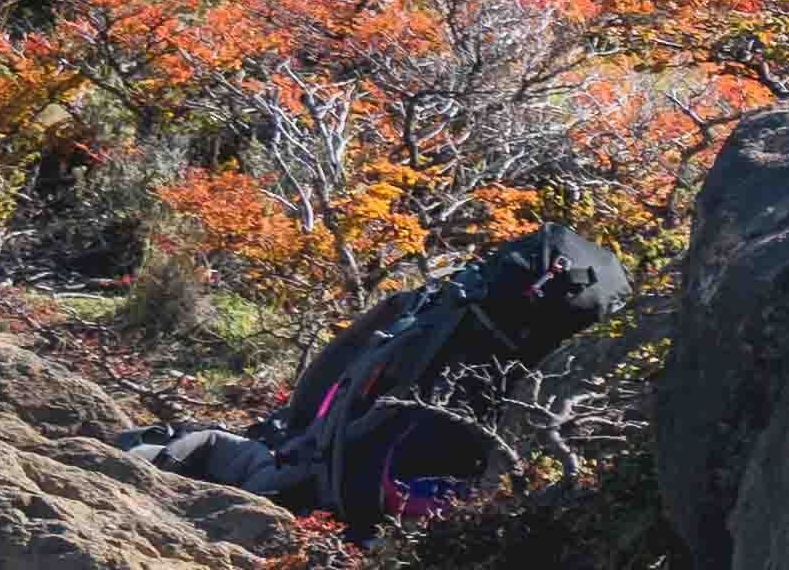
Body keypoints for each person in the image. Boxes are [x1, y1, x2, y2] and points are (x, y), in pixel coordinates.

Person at [140, 219, 632, 527]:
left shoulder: (446, 310)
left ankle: (151, 452)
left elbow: (326, 375)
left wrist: (296, 433)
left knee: (200, 448)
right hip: (362, 490)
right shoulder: (537, 363)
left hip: (327, 478)